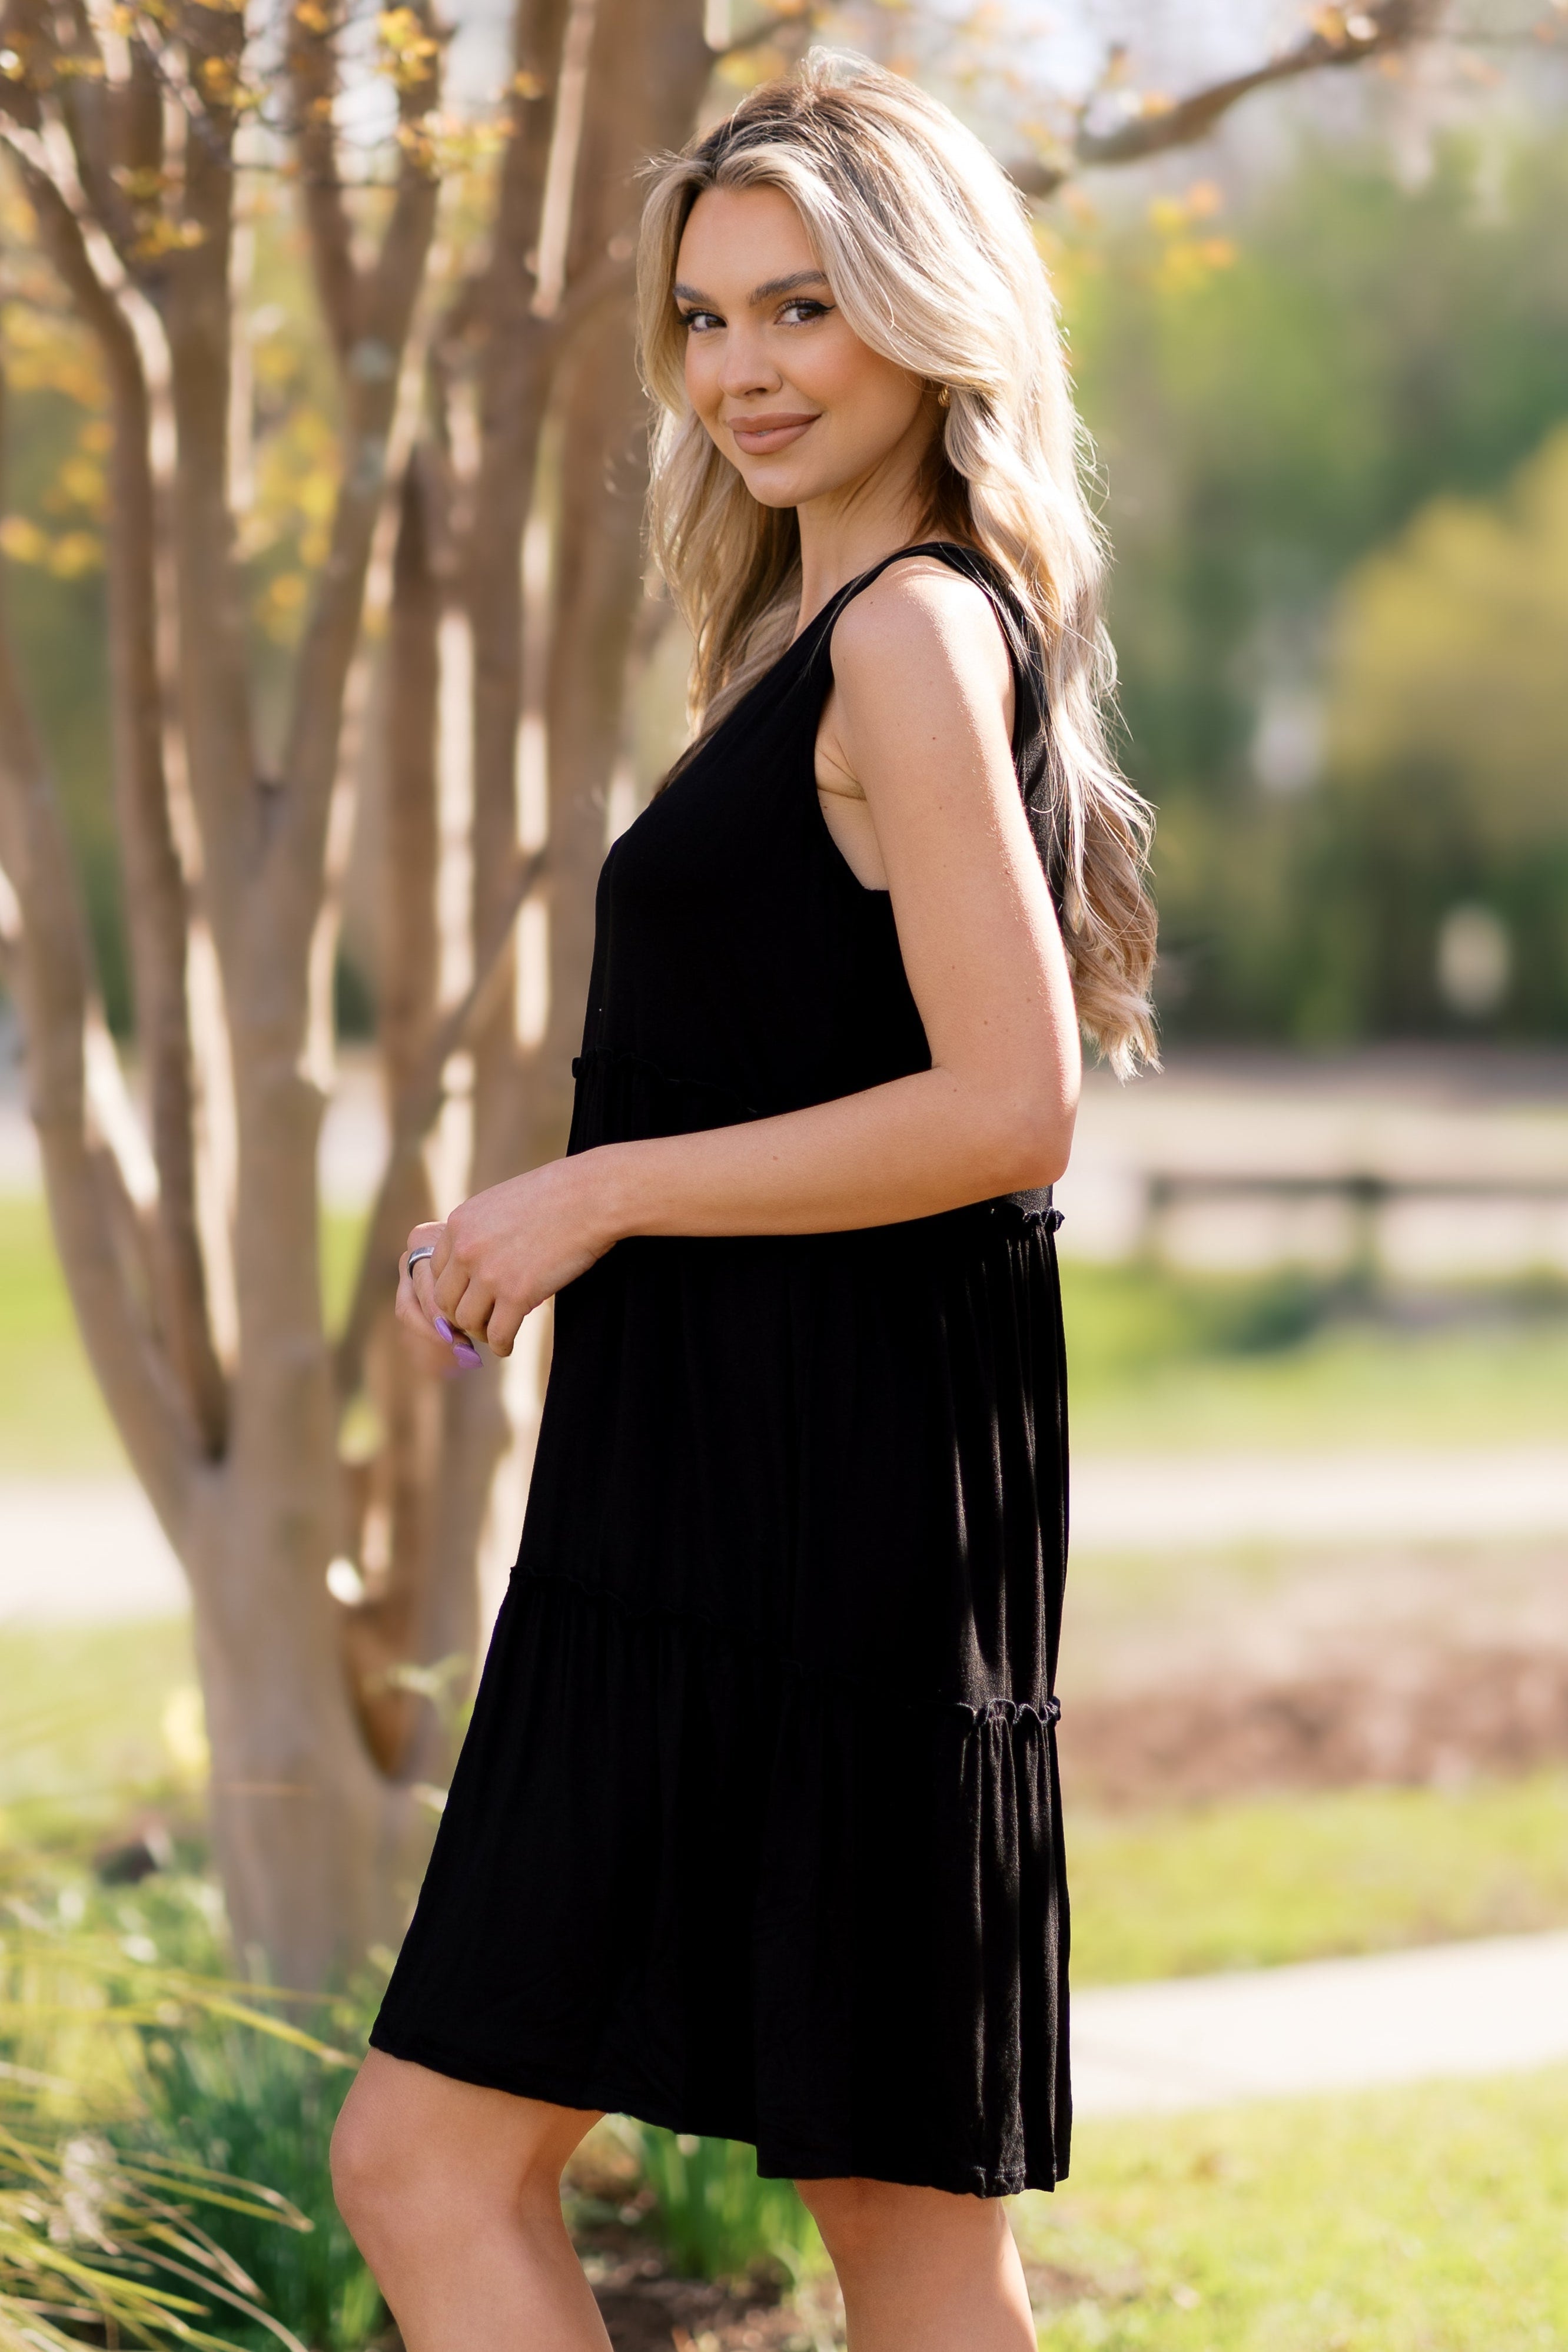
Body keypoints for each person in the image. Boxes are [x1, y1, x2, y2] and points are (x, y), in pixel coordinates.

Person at [332, 52, 1156, 2351]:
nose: (742, 372)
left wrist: (595, 1193)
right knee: (880, 2203)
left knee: (445, 2160)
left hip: (818, 1501)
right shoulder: (814, 632)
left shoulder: (911, 630)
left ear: (927, 310)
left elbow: (1011, 1108)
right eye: (704, 320)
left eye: (803, 307)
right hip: (737, 1483)